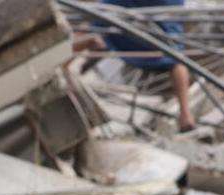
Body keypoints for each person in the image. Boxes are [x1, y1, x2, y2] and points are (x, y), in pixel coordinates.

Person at [74, 0, 197, 132]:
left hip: (152, 10)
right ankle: (185, 114)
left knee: (95, 22)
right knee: (175, 56)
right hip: (154, 13)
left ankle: (60, 60)